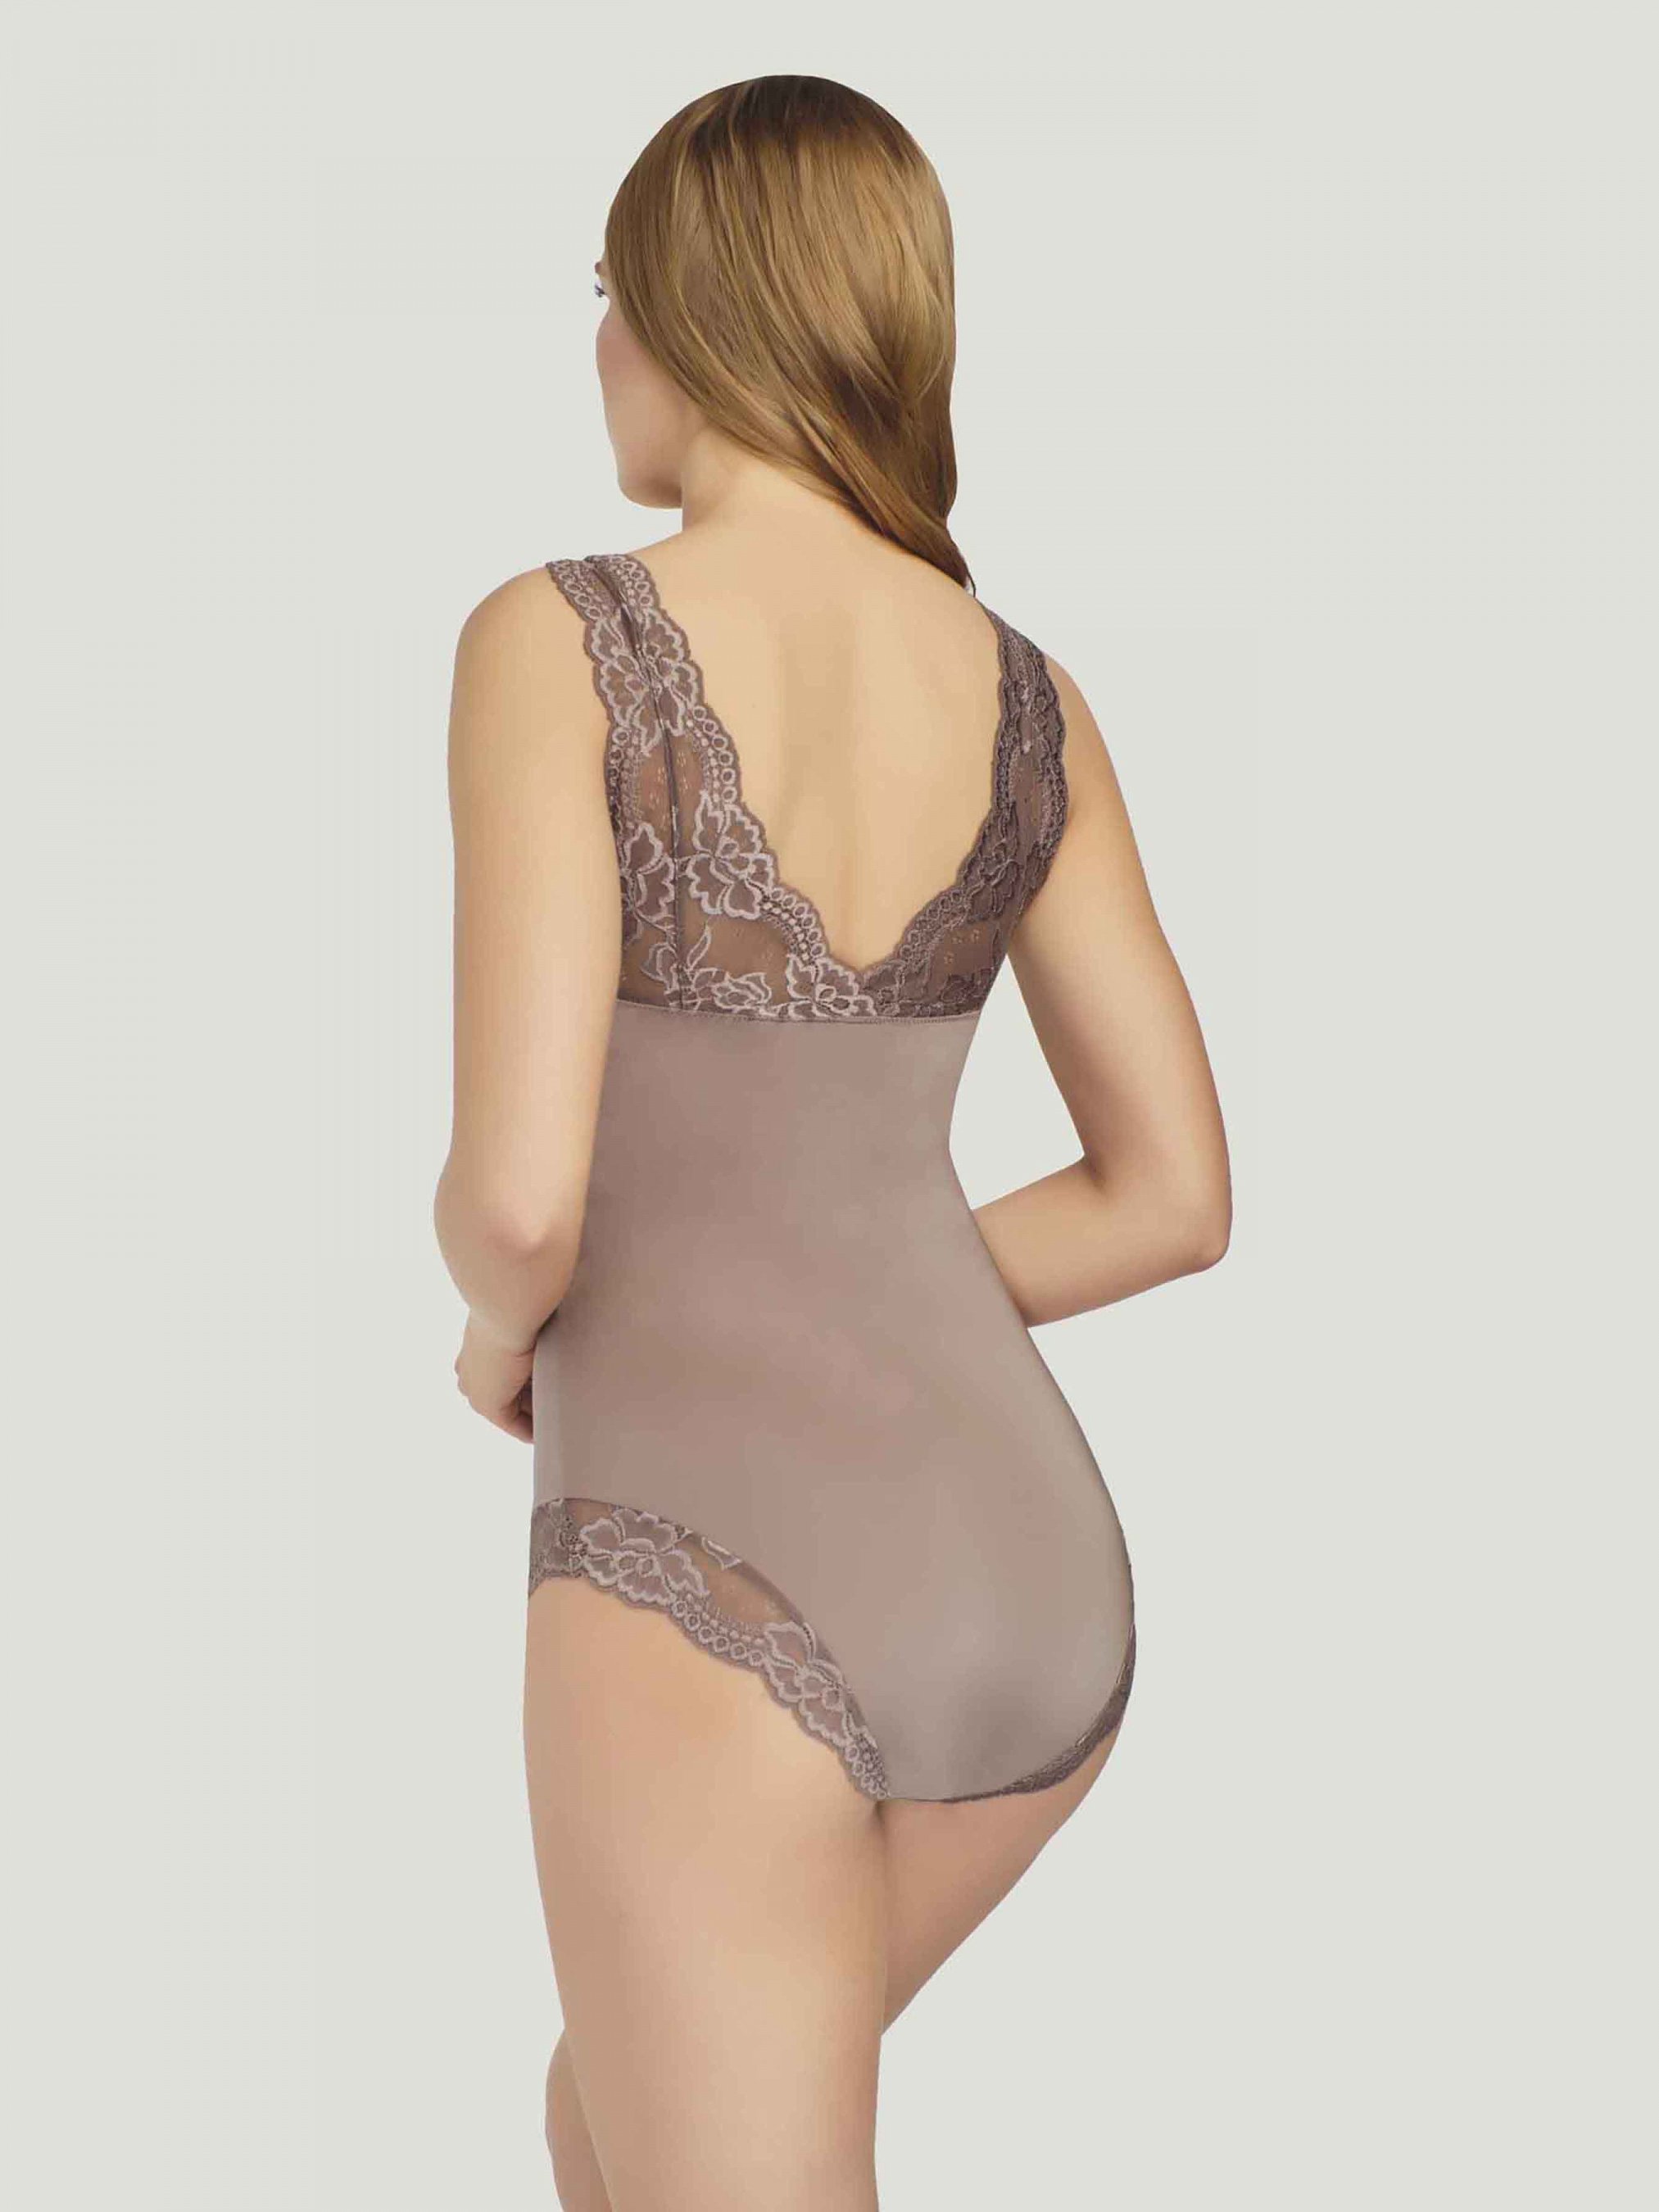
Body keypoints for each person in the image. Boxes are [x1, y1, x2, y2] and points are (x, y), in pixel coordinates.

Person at [435, 73, 1230, 2212]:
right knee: (603, 2131)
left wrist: (507, 1341)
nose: (600, 339)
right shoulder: (1027, 692)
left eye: (614, 286)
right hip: (1025, 1568)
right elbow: (1171, 1197)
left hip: (702, 1558)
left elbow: (514, 1197)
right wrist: (863, 1301)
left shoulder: (561, 637)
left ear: (701, 309)